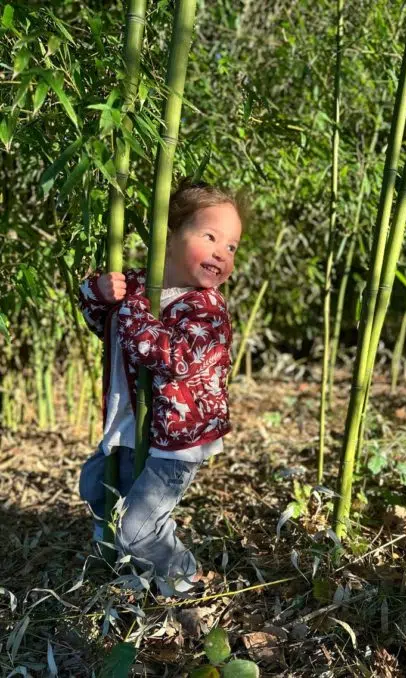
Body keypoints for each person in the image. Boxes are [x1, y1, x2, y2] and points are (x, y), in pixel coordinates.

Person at [77, 181, 243, 597]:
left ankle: (184, 578)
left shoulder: (206, 307)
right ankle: (124, 555)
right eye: (210, 237)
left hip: (177, 438)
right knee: (95, 485)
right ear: (168, 236)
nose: (222, 252)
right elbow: (105, 326)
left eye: (233, 247)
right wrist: (97, 296)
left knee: (138, 528)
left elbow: (173, 360)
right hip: (135, 425)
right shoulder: (137, 286)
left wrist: (132, 308)